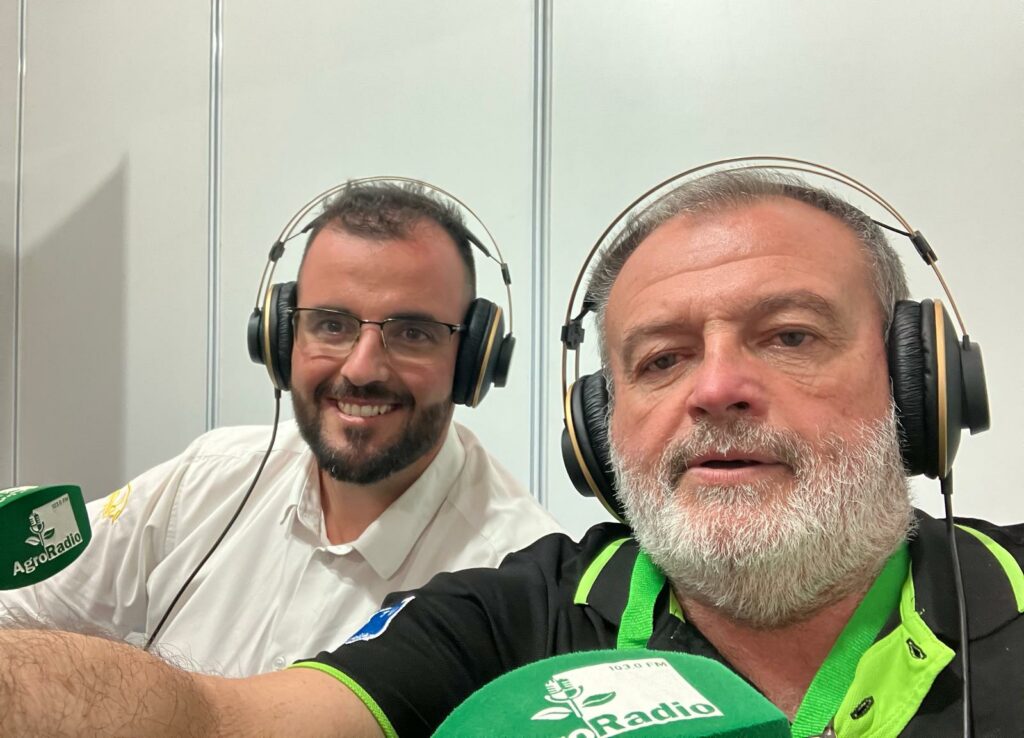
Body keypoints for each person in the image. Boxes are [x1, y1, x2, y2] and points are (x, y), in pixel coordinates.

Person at [2, 168, 1021, 737]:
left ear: (918, 379)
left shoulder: (499, 542)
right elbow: (221, 721)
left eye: (789, 336)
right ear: (601, 423)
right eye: (662, 358)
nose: (716, 388)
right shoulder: (517, 615)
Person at [0, 181, 561, 677]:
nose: (361, 369)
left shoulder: (521, 581)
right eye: (332, 325)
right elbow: (21, 603)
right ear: (278, 338)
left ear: (474, 362)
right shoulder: (205, 480)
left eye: (412, 333)